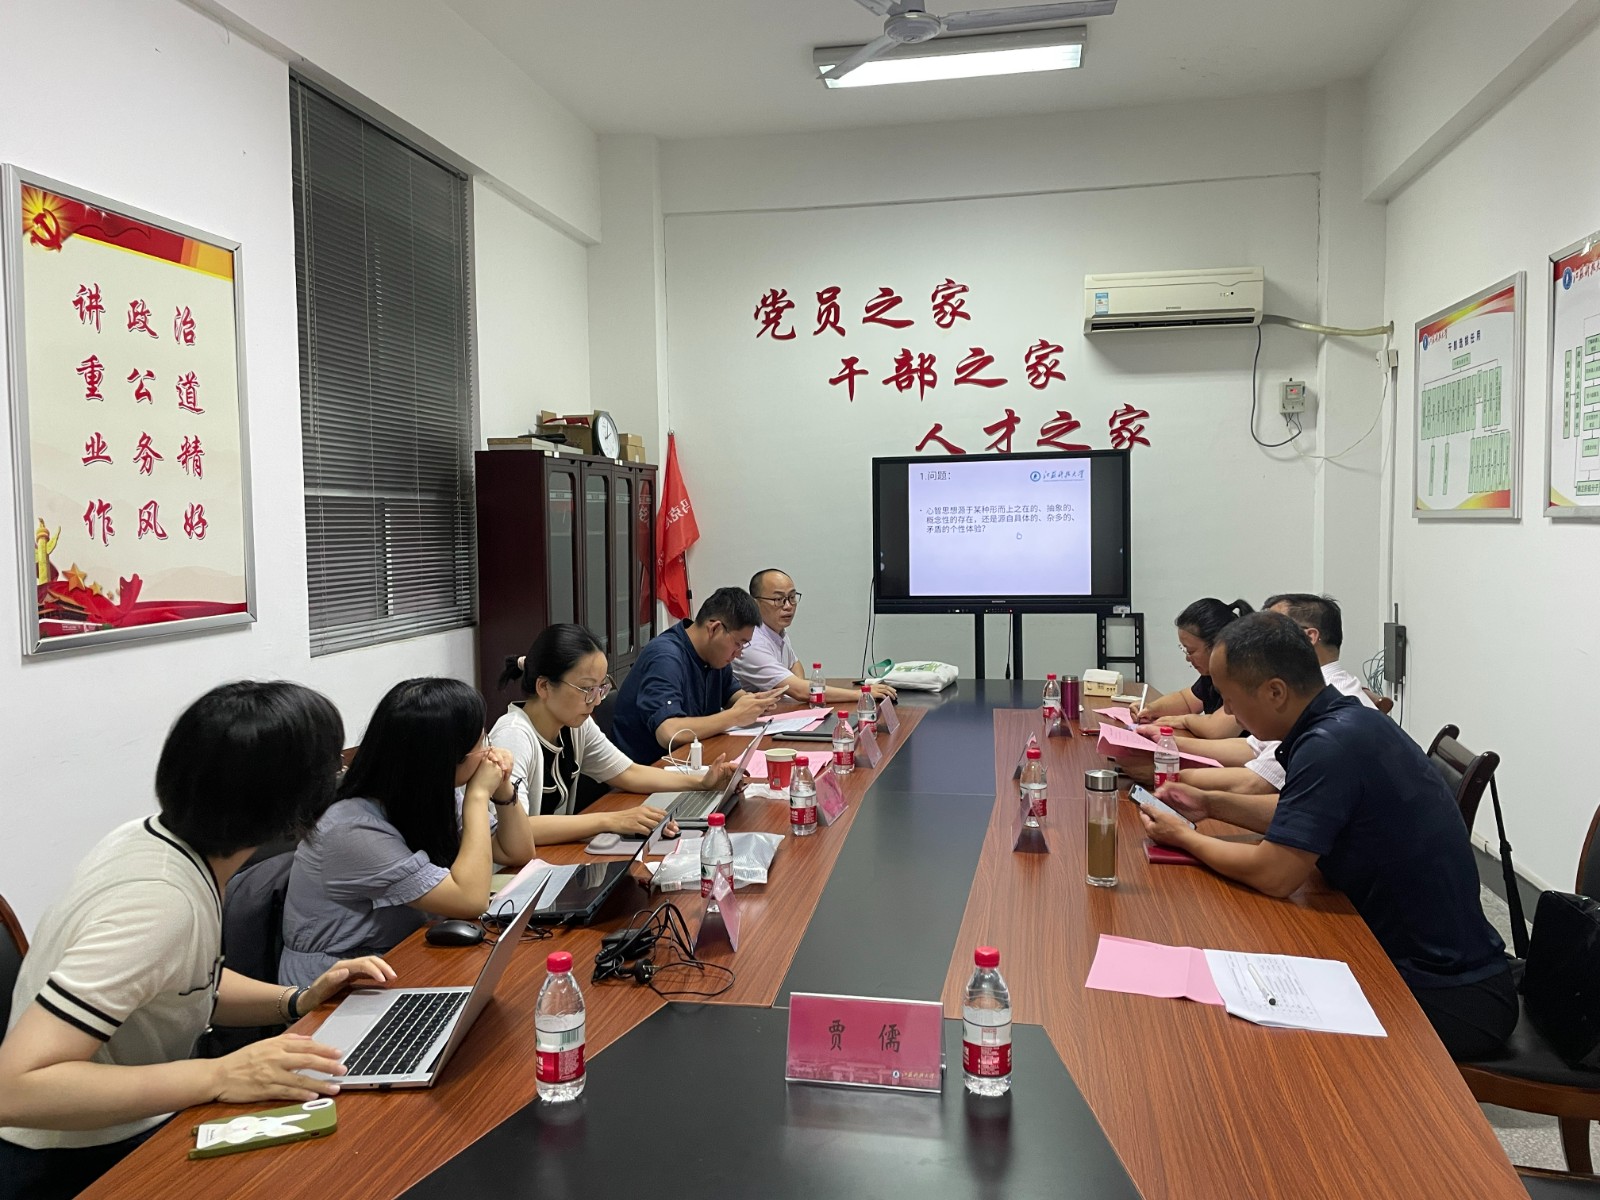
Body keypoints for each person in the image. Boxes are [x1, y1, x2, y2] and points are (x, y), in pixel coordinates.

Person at [0, 682, 396, 1200]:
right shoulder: (160, 904)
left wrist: (295, 1000)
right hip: (74, 1158)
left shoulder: (154, 838)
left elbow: (180, 984)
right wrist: (218, 1075)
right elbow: (15, 1087)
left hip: (126, 1124)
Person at [1136, 612, 1515, 1061]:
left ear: (1275, 692)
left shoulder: (1330, 745)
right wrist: (1211, 804)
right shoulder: (1344, 722)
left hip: (1446, 991)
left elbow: (1275, 875)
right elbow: (1305, 814)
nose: (1231, 713)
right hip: (1436, 966)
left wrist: (1185, 837)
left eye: (1233, 700)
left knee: (1245, 1033)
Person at [279, 677, 536, 986]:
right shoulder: (351, 830)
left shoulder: (426, 793)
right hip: (337, 982)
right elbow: (471, 900)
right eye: (481, 741)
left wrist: (503, 788)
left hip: (403, 954)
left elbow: (517, 852)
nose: (489, 751)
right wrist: (478, 796)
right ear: (444, 757)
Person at [489, 624, 740, 841]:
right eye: (587, 689)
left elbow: (627, 773)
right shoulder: (514, 736)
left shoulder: (575, 725)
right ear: (544, 686)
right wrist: (610, 820)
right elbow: (514, 830)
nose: (597, 700)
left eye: (601, 688)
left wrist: (701, 782)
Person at [1145, 593, 1379, 793]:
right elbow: (1253, 748)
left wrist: (1165, 773)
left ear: (1309, 638)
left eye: (1273, 632)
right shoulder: (1312, 688)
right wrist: (1169, 744)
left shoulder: (1326, 700)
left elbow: (1259, 782)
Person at [611, 587, 785, 764]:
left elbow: (731, 694)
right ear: (715, 629)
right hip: (651, 769)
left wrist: (754, 703)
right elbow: (669, 732)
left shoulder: (714, 655)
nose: (739, 653)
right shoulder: (666, 658)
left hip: (691, 760)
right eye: (738, 643)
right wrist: (734, 716)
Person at [733, 568, 896, 706]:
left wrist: (796, 686)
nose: (788, 606)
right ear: (755, 603)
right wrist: (862, 694)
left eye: (792, 597)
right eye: (778, 599)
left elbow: (794, 664)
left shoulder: (776, 630)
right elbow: (800, 691)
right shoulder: (751, 643)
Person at [1131, 597, 1252, 738]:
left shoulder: (1246, 677)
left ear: (1217, 646)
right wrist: (1151, 709)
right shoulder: (1211, 675)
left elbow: (1216, 730)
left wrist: (1184, 721)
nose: (1187, 658)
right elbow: (1186, 701)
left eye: (1191, 651)